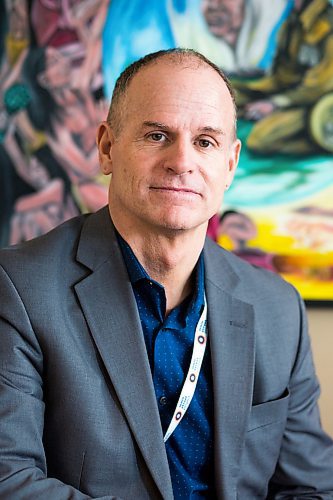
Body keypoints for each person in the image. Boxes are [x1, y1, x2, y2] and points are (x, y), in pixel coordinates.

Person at [0, 48, 332, 499]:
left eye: (206, 142)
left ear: (230, 164)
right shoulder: (19, 288)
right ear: (107, 148)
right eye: (157, 135)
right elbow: (9, 480)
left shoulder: (278, 308)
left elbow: (310, 486)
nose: (182, 161)